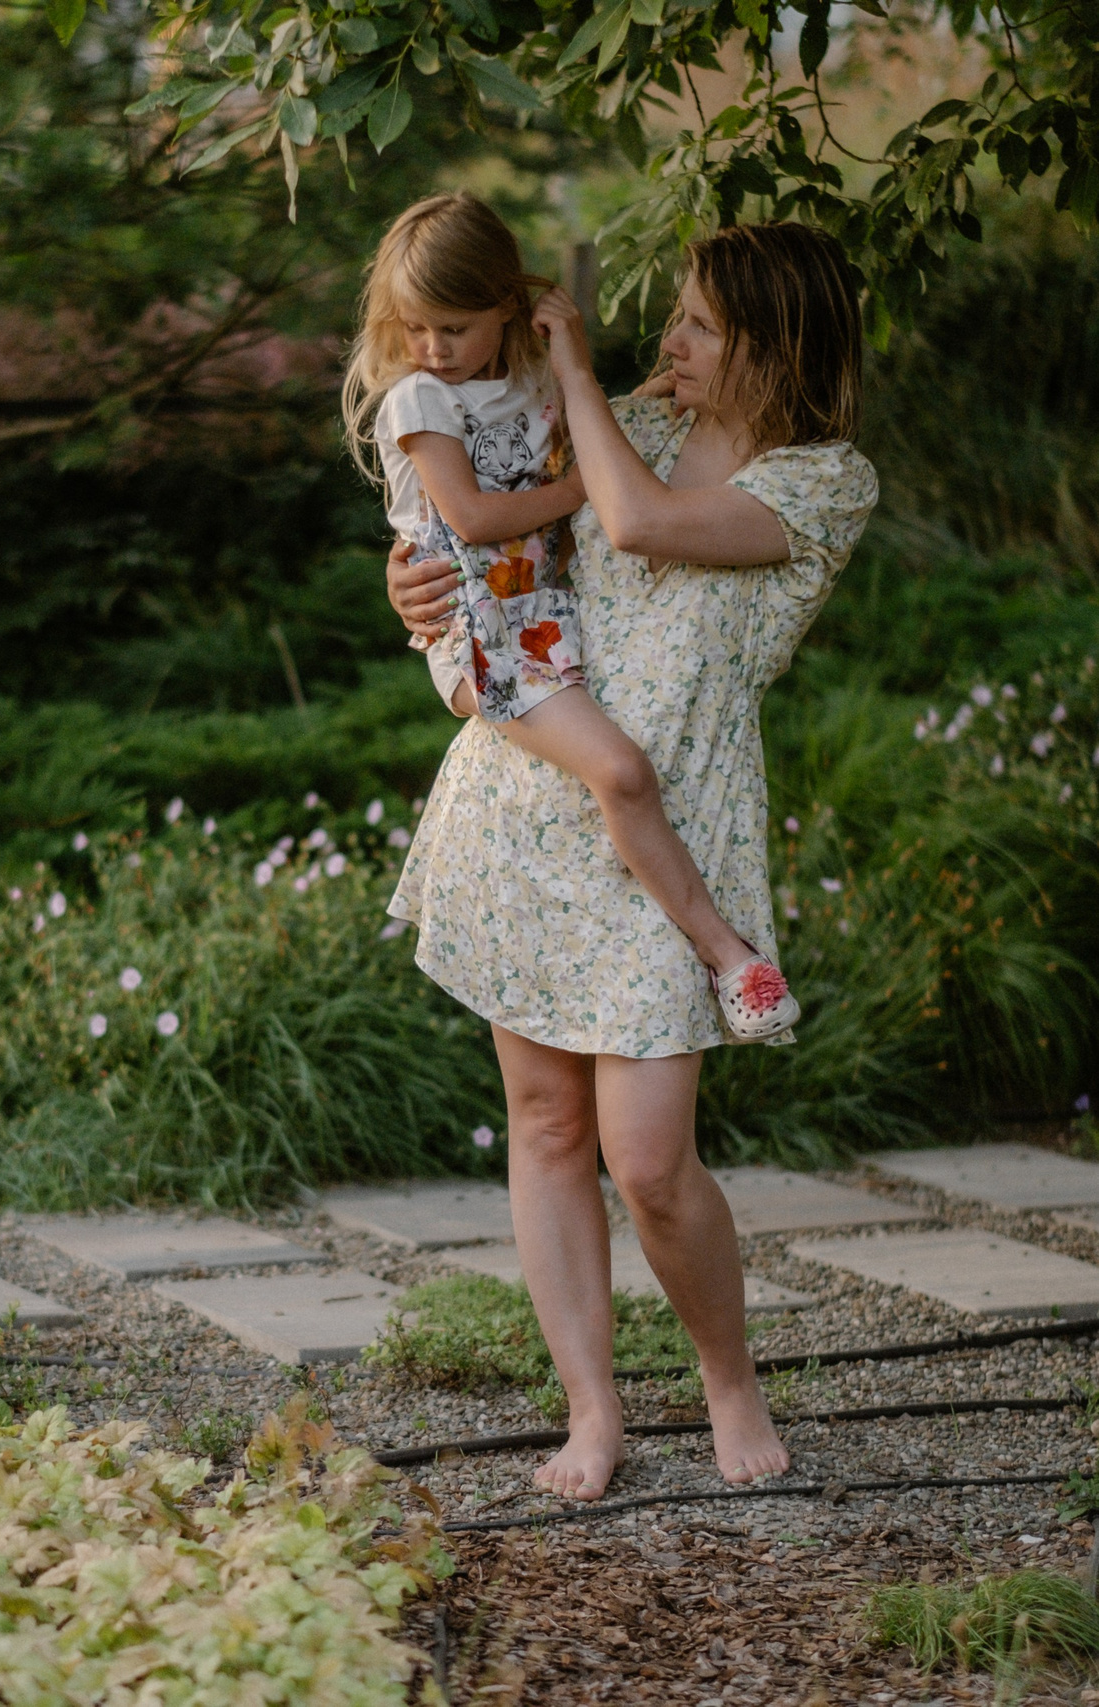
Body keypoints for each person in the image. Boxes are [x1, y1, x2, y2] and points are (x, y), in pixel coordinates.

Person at [384, 222, 879, 1498]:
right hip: (532, 803)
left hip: (676, 830)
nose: (669, 338)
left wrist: (584, 383)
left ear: (776, 345)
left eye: (700, 323)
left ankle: (727, 1382)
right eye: (675, 314)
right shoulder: (626, 425)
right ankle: (591, 1412)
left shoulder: (823, 483)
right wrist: (416, 589)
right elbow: (488, 542)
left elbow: (635, 523)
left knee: (650, 1162)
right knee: (545, 1125)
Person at [345, 193, 799, 1039]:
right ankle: (731, 958)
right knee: (622, 771)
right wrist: (581, 488)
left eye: (454, 327)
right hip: (485, 631)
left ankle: (722, 953)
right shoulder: (420, 401)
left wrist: (615, 379)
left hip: (536, 619)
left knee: (615, 777)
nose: (432, 350)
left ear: (508, 307)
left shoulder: (520, 381)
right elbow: (474, 520)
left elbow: (589, 431)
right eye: (416, 329)